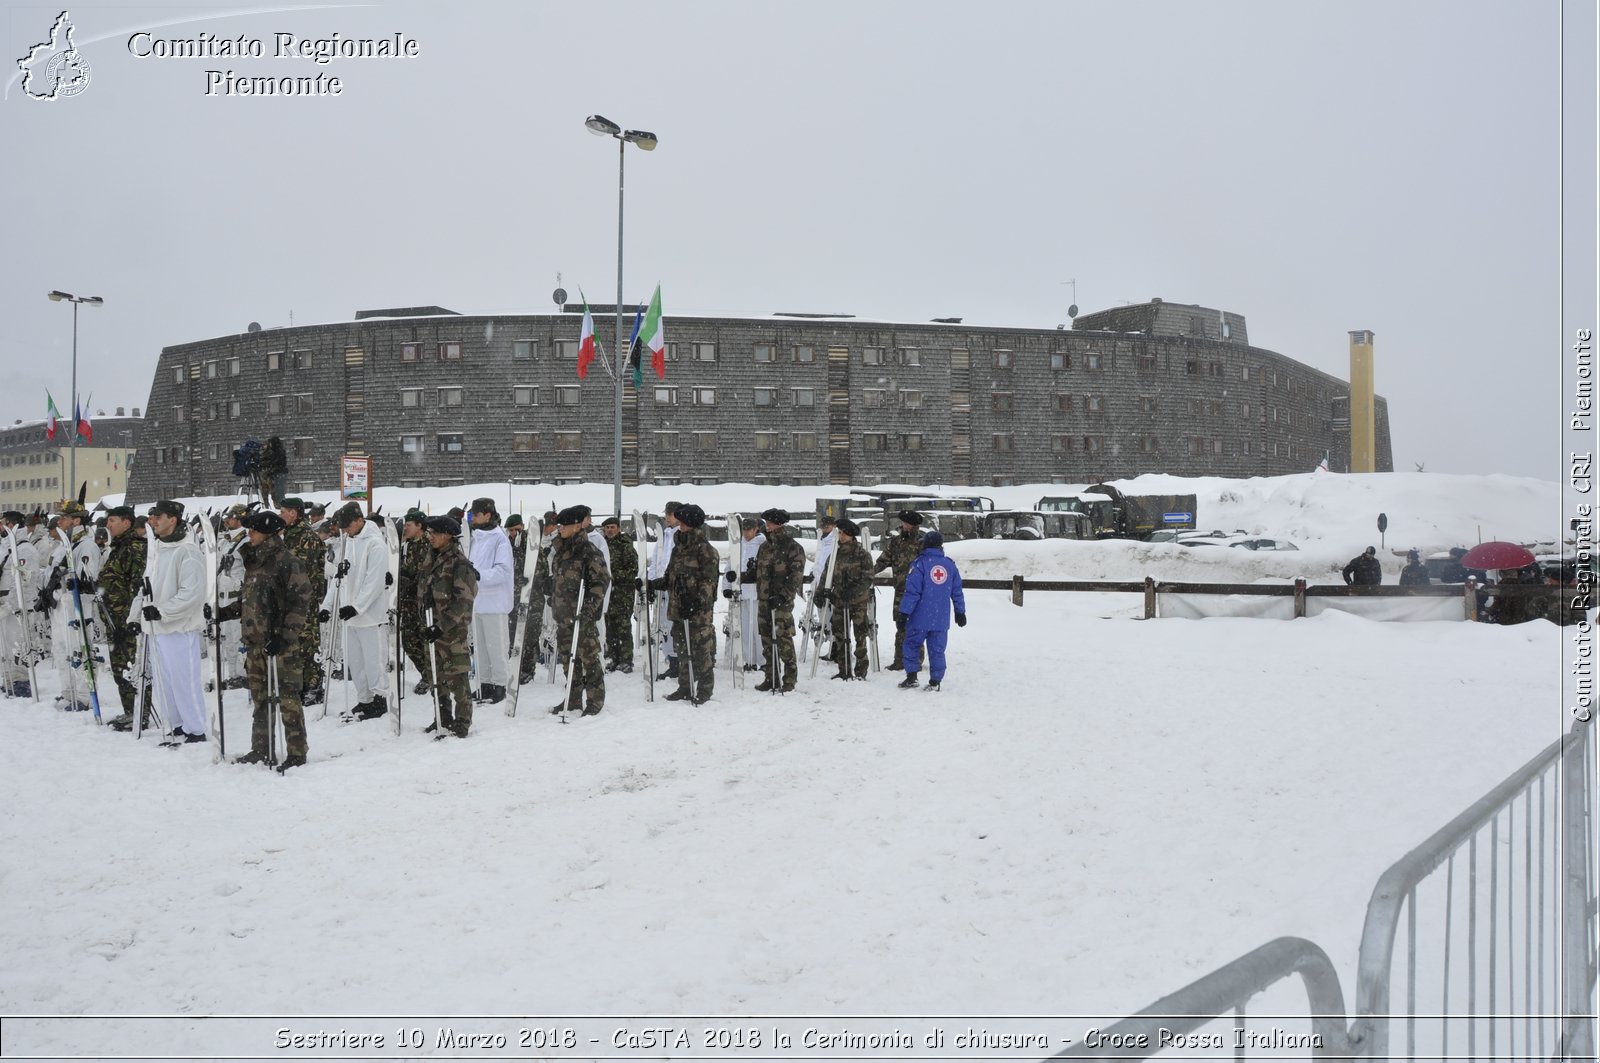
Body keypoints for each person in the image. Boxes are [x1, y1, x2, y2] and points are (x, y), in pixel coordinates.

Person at [220, 511, 312, 772]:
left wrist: (284, 638)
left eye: (254, 530)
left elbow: (300, 602)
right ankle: (261, 748)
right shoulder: (255, 562)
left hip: (280, 644)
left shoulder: (286, 561)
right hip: (255, 643)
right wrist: (223, 612)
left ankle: (296, 751)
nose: (249, 534)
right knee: (260, 699)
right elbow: (249, 601)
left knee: (287, 698)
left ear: (269, 533)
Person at [142, 500, 210, 743]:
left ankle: (197, 728)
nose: (153, 521)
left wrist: (163, 611)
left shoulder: (188, 551)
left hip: (179, 627)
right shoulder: (156, 550)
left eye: (158, 517)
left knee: (184, 679)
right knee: (164, 682)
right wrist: (135, 615)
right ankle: (178, 724)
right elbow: (146, 588)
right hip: (156, 627)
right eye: (152, 517)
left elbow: (192, 592)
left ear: (173, 519)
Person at [319, 502, 391, 720]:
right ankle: (364, 699)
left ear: (360, 520)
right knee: (356, 663)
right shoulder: (347, 542)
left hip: (369, 615)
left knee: (373, 661)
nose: (345, 531)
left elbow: (374, 581)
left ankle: (379, 699)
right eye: (343, 527)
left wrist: (357, 606)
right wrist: (328, 605)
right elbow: (340, 578)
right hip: (348, 615)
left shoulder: (375, 544)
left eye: (348, 526)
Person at [417, 515, 478, 737]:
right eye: (429, 533)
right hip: (432, 628)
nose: (430, 537)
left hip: (451, 631)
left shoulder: (459, 563)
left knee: (457, 676)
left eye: (434, 533)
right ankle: (442, 716)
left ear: (448, 536)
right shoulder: (430, 558)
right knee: (437, 677)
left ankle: (462, 721)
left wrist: (442, 625)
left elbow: (463, 601)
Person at [548, 506, 610, 716]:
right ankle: (573, 698)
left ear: (576, 526)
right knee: (568, 659)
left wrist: (589, 609)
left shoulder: (589, 552)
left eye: (564, 525)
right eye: (559, 525)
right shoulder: (561, 550)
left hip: (582, 616)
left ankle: (595, 700)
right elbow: (560, 579)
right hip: (564, 615)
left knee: (589, 659)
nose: (560, 529)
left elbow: (600, 583)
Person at [41, 499, 102, 712]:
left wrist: (72, 582)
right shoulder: (63, 546)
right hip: (59, 605)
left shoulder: (87, 546)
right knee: (61, 650)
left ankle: (84, 695)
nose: (60, 522)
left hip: (76, 606)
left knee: (79, 650)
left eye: (64, 518)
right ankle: (68, 692)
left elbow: (89, 579)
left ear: (76, 521)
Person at [661, 503, 718, 703]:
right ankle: (684, 686)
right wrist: (658, 583)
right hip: (678, 608)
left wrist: (695, 602)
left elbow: (709, 582)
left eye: (684, 524)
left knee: (701, 650)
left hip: (697, 611)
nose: (681, 527)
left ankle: (704, 688)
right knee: (682, 650)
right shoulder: (679, 549)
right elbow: (671, 574)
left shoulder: (705, 550)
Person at [99, 506, 149, 730]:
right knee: (120, 668)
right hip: (113, 618)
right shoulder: (117, 548)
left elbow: (137, 586)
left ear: (126, 523)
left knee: (132, 666)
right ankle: (130, 711)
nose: (108, 525)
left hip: (126, 620)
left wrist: (131, 620)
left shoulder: (135, 548)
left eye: (112, 520)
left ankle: (141, 713)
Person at [898, 531, 966, 690]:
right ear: (940, 545)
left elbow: (913, 592)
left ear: (925, 544)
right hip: (940, 618)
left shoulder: (920, 564)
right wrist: (960, 611)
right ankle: (935, 682)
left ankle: (912, 677)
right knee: (937, 650)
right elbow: (957, 591)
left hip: (920, 616)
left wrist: (904, 612)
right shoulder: (950, 565)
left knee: (912, 644)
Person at [279, 498, 327, 706]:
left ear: (293, 513)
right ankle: (300, 685)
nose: (280, 515)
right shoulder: (288, 535)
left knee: (308, 643)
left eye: (283, 512)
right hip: (290, 601)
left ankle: (314, 686)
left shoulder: (307, 537)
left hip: (304, 600)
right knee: (295, 644)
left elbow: (305, 572)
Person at [753, 507, 805, 693]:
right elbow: (759, 573)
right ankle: (771, 676)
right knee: (767, 640)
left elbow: (796, 576)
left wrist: (783, 595)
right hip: (764, 601)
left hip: (781, 602)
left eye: (771, 523)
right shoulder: (764, 547)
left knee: (783, 639)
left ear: (780, 524)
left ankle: (790, 678)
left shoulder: (793, 547)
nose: (768, 526)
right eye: (767, 523)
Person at [468, 498, 514, 703]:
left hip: (495, 602)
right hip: (477, 601)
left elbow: (503, 571)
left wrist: (479, 575)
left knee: (496, 646)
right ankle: (484, 683)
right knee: (480, 647)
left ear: (487, 515)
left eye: (476, 514)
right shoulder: (476, 538)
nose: (473, 518)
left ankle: (500, 684)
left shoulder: (500, 539)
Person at [822, 518, 875, 680]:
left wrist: (852, 592)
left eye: (844, 534)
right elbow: (827, 574)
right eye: (840, 533)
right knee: (840, 636)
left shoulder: (862, 555)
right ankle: (843, 669)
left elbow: (867, 578)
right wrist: (822, 592)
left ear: (852, 536)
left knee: (860, 636)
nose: (841, 536)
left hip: (857, 603)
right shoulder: (835, 554)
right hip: (839, 601)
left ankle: (860, 670)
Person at [874, 510, 927, 671]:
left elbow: (930, 565)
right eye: (903, 523)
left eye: (907, 523)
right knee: (900, 625)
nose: (903, 526)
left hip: (918, 593)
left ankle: (916, 660)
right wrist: (868, 572)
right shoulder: (895, 542)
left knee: (916, 626)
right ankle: (899, 660)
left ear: (914, 525)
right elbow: (883, 561)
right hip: (900, 592)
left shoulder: (922, 542)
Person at [0, 512, 41, 698]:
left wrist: (9, 604)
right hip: (5, 604)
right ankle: (8, 679)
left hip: (18, 606)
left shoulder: (25, 549)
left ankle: (20, 681)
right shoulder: (7, 546)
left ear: (12, 524)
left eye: (2, 523)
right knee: (5, 645)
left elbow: (24, 581)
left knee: (19, 643)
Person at [519, 510, 559, 684]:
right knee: (528, 631)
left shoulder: (558, 541)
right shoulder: (530, 543)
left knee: (542, 627)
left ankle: (541, 658)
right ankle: (532, 658)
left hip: (544, 590)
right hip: (529, 594)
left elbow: (545, 569)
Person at [398, 510, 435, 695]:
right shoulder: (407, 545)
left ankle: (432, 676)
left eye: (409, 524)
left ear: (419, 526)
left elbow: (428, 572)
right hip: (408, 601)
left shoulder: (429, 543)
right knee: (408, 641)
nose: (406, 527)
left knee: (426, 640)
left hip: (424, 601)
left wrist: (413, 580)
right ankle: (426, 672)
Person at [725, 517, 764, 671]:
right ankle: (748, 660)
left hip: (755, 593)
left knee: (757, 629)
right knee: (744, 629)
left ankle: (763, 660)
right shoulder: (739, 545)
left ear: (755, 530)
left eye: (749, 530)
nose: (746, 533)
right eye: (744, 530)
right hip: (740, 594)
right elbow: (730, 566)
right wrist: (727, 586)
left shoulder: (762, 544)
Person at [647, 502, 681, 679]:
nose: (668, 517)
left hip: (673, 587)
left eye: (671, 513)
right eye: (667, 513)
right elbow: (656, 561)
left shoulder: (681, 536)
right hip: (661, 587)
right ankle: (671, 660)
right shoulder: (664, 535)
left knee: (673, 625)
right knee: (662, 626)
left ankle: (679, 661)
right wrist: (651, 582)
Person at [600, 516, 638, 673]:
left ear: (619, 528)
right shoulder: (603, 546)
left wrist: (615, 575)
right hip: (607, 594)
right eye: (607, 527)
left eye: (612, 527)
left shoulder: (626, 546)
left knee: (623, 627)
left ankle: (626, 659)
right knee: (610, 627)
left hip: (623, 594)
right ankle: (613, 658)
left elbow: (633, 570)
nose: (609, 530)